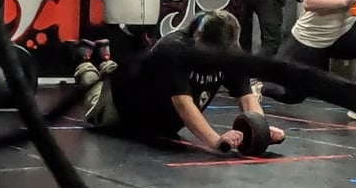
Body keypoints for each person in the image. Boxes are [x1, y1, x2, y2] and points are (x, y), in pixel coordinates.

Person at [72, 9, 285, 151]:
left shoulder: (231, 52)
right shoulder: (173, 49)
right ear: (198, 38)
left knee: (118, 72)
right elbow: (183, 104)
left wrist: (261, 130)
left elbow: (246, 97)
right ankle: (84, 60)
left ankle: (106, 59)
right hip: (119, 109)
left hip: (156, 119)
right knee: (93, 98)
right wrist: (216, 141)